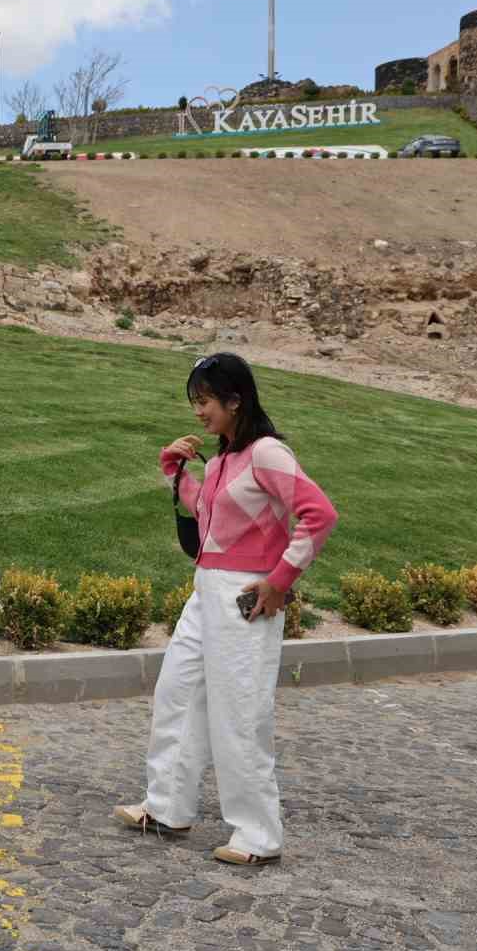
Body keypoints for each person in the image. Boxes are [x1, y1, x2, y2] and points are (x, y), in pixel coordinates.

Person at [114, 353, 337, 866]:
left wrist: (281, 582)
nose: (199, 412)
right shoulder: (222, 461)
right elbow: (208, 518)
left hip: (246, 598)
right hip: (205, 590)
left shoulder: (268, 453)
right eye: (196, 402)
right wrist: (175, 471)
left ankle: (258, 835)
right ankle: (167, 806)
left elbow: (319, 515)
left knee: (240, 713)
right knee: (178, 692)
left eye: (206, 401)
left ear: (236, 401)